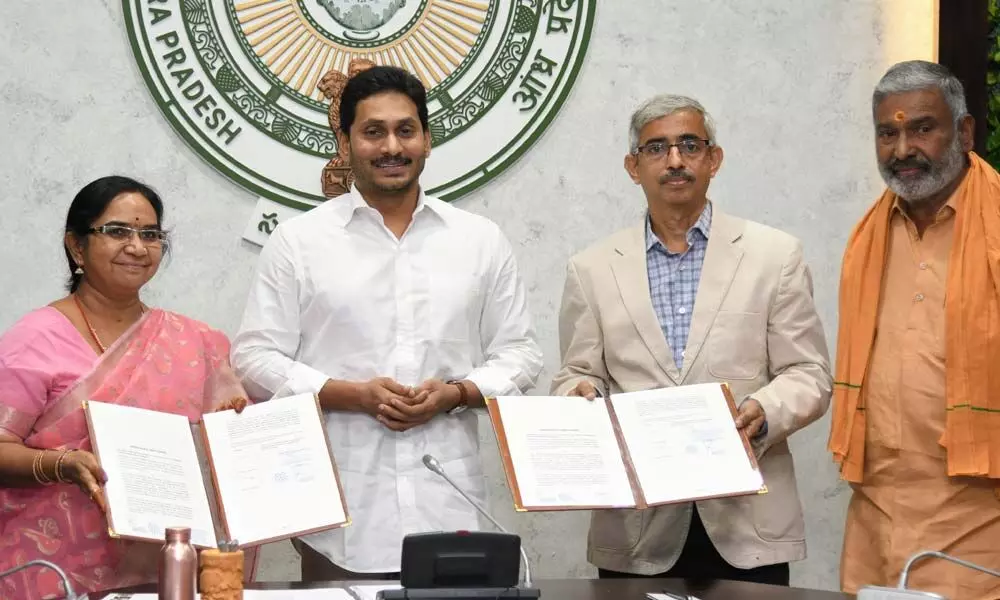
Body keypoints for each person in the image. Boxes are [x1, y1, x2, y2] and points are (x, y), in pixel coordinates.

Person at [231, 66, 543, 581]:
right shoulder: (299, 242)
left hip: (451, 507)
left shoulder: (479, 240)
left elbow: (522, 354)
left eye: (406, 130)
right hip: (340, 516)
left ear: (426, 138)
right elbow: (253, 358)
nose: (391, 146)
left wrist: (457, 393)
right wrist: (349, 394)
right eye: (373, 131)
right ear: (345, 141)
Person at [550, 94, 832, 585]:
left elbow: (809, 374)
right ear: (632, 167)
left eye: (689, 145)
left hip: (750, 525)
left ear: (713, 159)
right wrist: (578, 396)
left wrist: (764, 412)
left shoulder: (774, 255)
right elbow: (577, 374)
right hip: (637, 529)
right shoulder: (591, 268)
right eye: (656, 148)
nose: (675, 160)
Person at [0, 176, 251, 599]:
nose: (137, 247)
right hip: (52, 572)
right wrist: (60, 464)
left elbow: (218, 459)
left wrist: (233, 432)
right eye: (117, 231)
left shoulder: (196, 343)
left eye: (150, 234)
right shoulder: (36, 337)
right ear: (76, 246)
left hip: (166, 569)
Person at [830, 60, 1000, 599]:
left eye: (922, 128)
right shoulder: (869, 236)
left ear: (965, 132)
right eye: (888, 133)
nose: (902, 150)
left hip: (978, 519)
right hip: (875, 513)